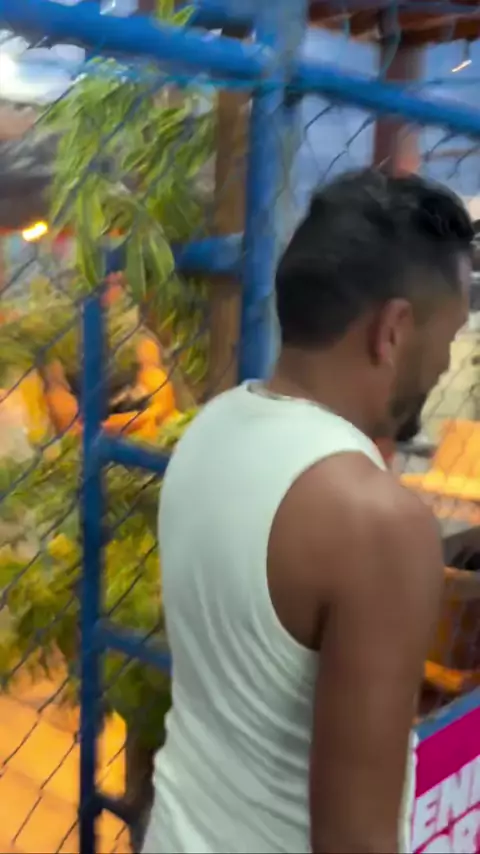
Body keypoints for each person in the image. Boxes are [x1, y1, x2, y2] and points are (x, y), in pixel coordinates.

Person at [142, 169, 473, 854]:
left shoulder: (211, 428)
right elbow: (355, 840)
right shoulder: (376, 522)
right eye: (450, 335)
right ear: (393, 330)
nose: (448, 363)